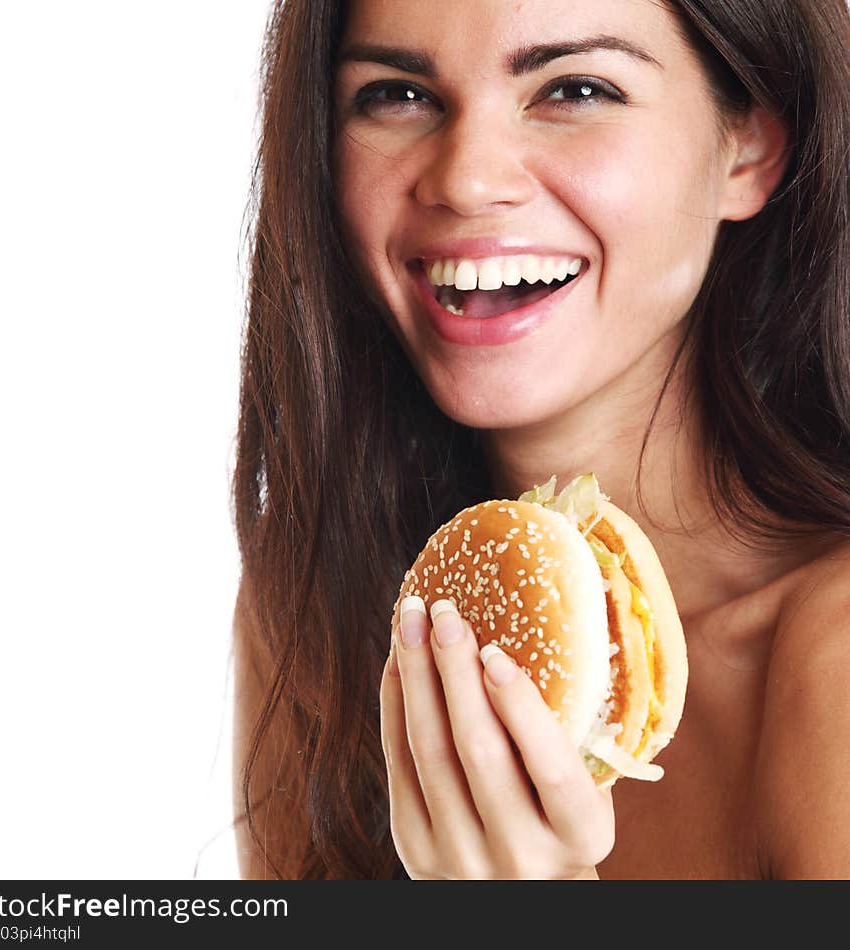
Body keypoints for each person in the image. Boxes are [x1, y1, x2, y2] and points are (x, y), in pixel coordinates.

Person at [231, 0, 850, 879]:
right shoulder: (316, 617)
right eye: (398, 95)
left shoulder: (833, 653)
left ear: (747, 147)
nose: (467, 180)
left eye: (577, 87)